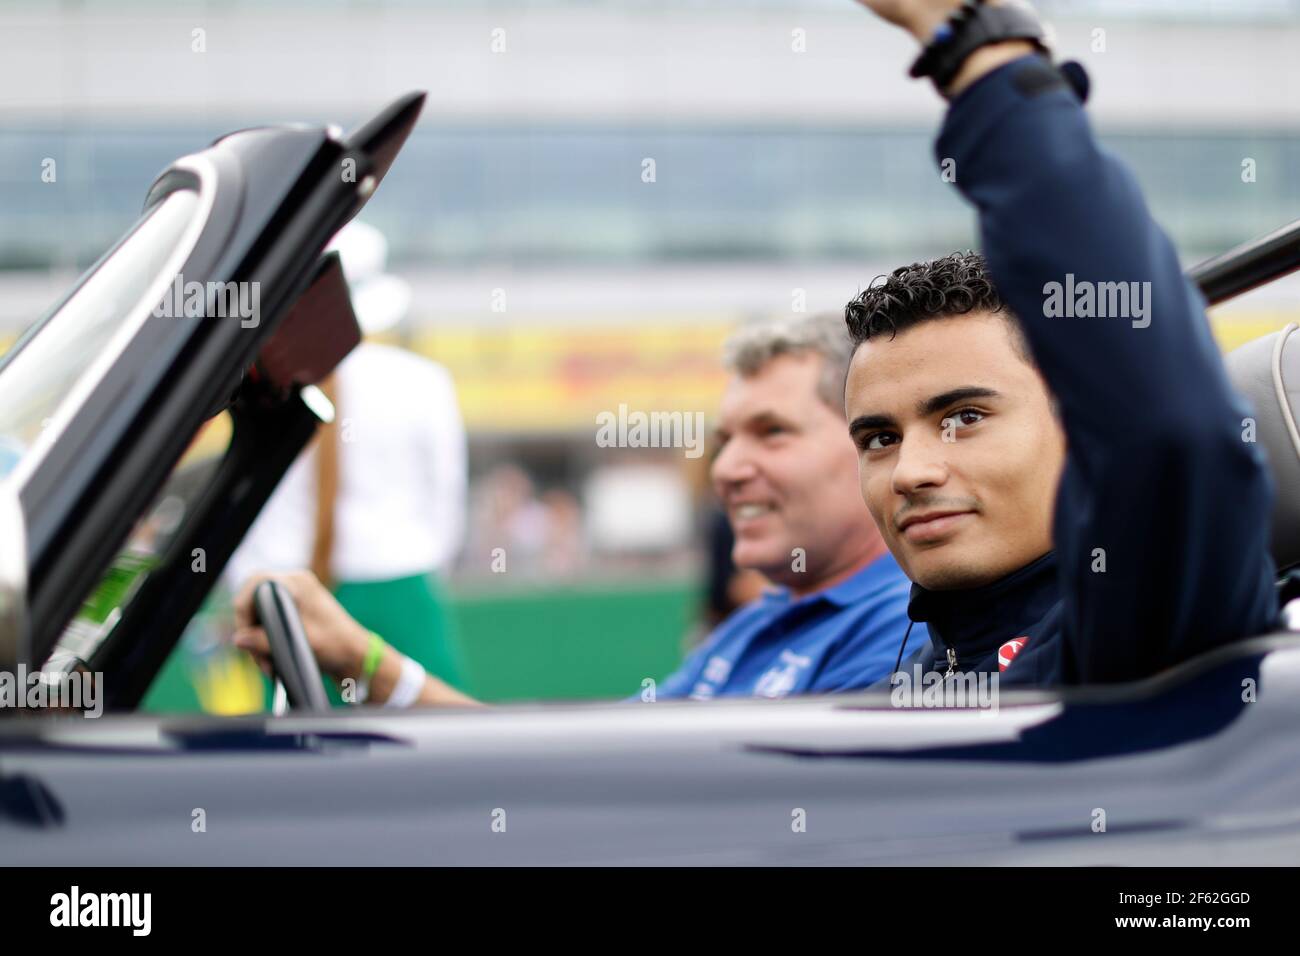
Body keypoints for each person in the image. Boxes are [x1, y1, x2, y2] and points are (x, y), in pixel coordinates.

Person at [839, 0, 1277, 685]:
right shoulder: (878, 700)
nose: (910, 472)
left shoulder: (1140, 638)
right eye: (878, 439)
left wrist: (977, 47)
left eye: (964, 418)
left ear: (1082, 430)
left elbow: (1170, 429)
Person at [234, 313, 921, 704]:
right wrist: (367, 661)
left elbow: (631, 802)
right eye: (725, 440)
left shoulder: (903, 634)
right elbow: (590, 768)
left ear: (873, 444)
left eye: (772, 432)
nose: (729, 470)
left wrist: (368, 662)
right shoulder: (761, 622)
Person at [225, 220, 469, 701]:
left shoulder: (268, 384)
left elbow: (249, 500)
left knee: (303, 753)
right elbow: (446, 497)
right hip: (399, 582)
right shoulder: (424, 382)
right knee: (440, 748)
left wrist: (255, 586)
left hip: (298, 596)